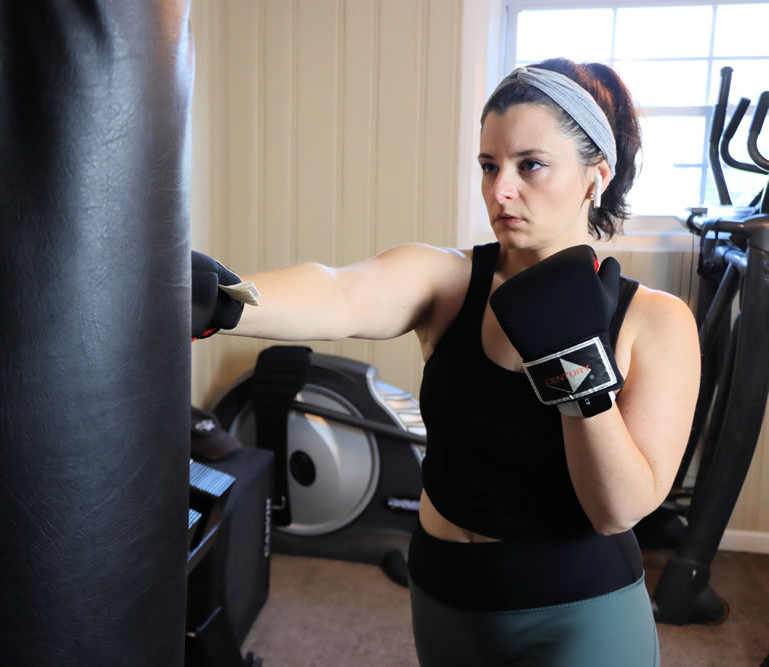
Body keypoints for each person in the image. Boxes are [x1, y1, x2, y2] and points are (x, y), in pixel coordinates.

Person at [192, 57, 700, 666]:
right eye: (489, 166)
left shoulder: (657, 321)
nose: (499, 190)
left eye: (530, 165)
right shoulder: (450, 280)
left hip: (577, 612)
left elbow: (617, 509)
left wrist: (575, 366)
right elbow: (343, 291)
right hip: (443, 593)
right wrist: (224, 299)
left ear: (596, 176)